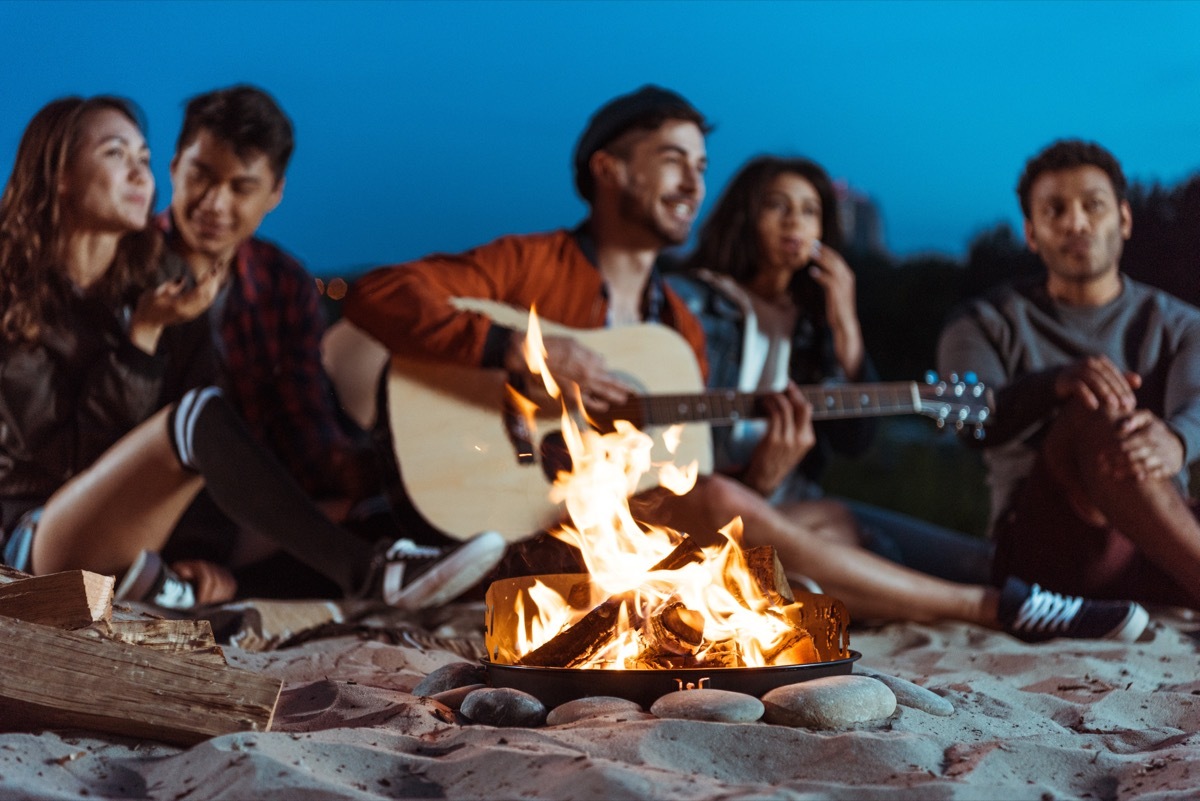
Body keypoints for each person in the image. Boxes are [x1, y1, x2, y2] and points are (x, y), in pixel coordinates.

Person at [344, 85, 1146, 642]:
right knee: (764, 513)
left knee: (820, 518)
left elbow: (676, 483)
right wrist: (532, 351)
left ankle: (1044, 591)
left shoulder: (677, 328)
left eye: (701, 166)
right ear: (607, 168)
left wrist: (767, 472)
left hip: (614, 540)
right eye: (672, 159)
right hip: (512, 530)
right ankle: (995, 606)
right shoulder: (532, 267)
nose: (694, 179)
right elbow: (381, 292)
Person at [0, 95, 503, 611]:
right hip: (37, 537)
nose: (138, 174)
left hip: (156, 527)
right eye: (114, 154)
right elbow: (77, 463)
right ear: (57, 173)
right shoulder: (19, 296)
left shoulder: (153, 284)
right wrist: (142, 342)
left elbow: (201, 448)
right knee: (197, 418)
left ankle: (441, 557)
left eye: (142, 158)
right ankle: (370, 574)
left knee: (362, 511)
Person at [666, 155, 992, 585]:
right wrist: (759, 480)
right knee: (856, 536)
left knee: (967, 558)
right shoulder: (691, 302)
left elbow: (856, 440)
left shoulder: (812, 324)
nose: (793, 223)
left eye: (810, 211)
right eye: (777, 206)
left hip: (798, 508)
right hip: (711, 507)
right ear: (744, 217)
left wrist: (845, 325)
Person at [938, 139, 1200, 611]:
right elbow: (969, 423)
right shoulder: (981, 323)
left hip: (1162, 543)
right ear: (1032, 233)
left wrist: (1177, 441)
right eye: (1055, 210)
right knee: (1092, 411)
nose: (1075, 222)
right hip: (1047, 554)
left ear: (1123, 219)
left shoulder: (1180, 325)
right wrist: (1055, 384)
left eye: (1092, 206)